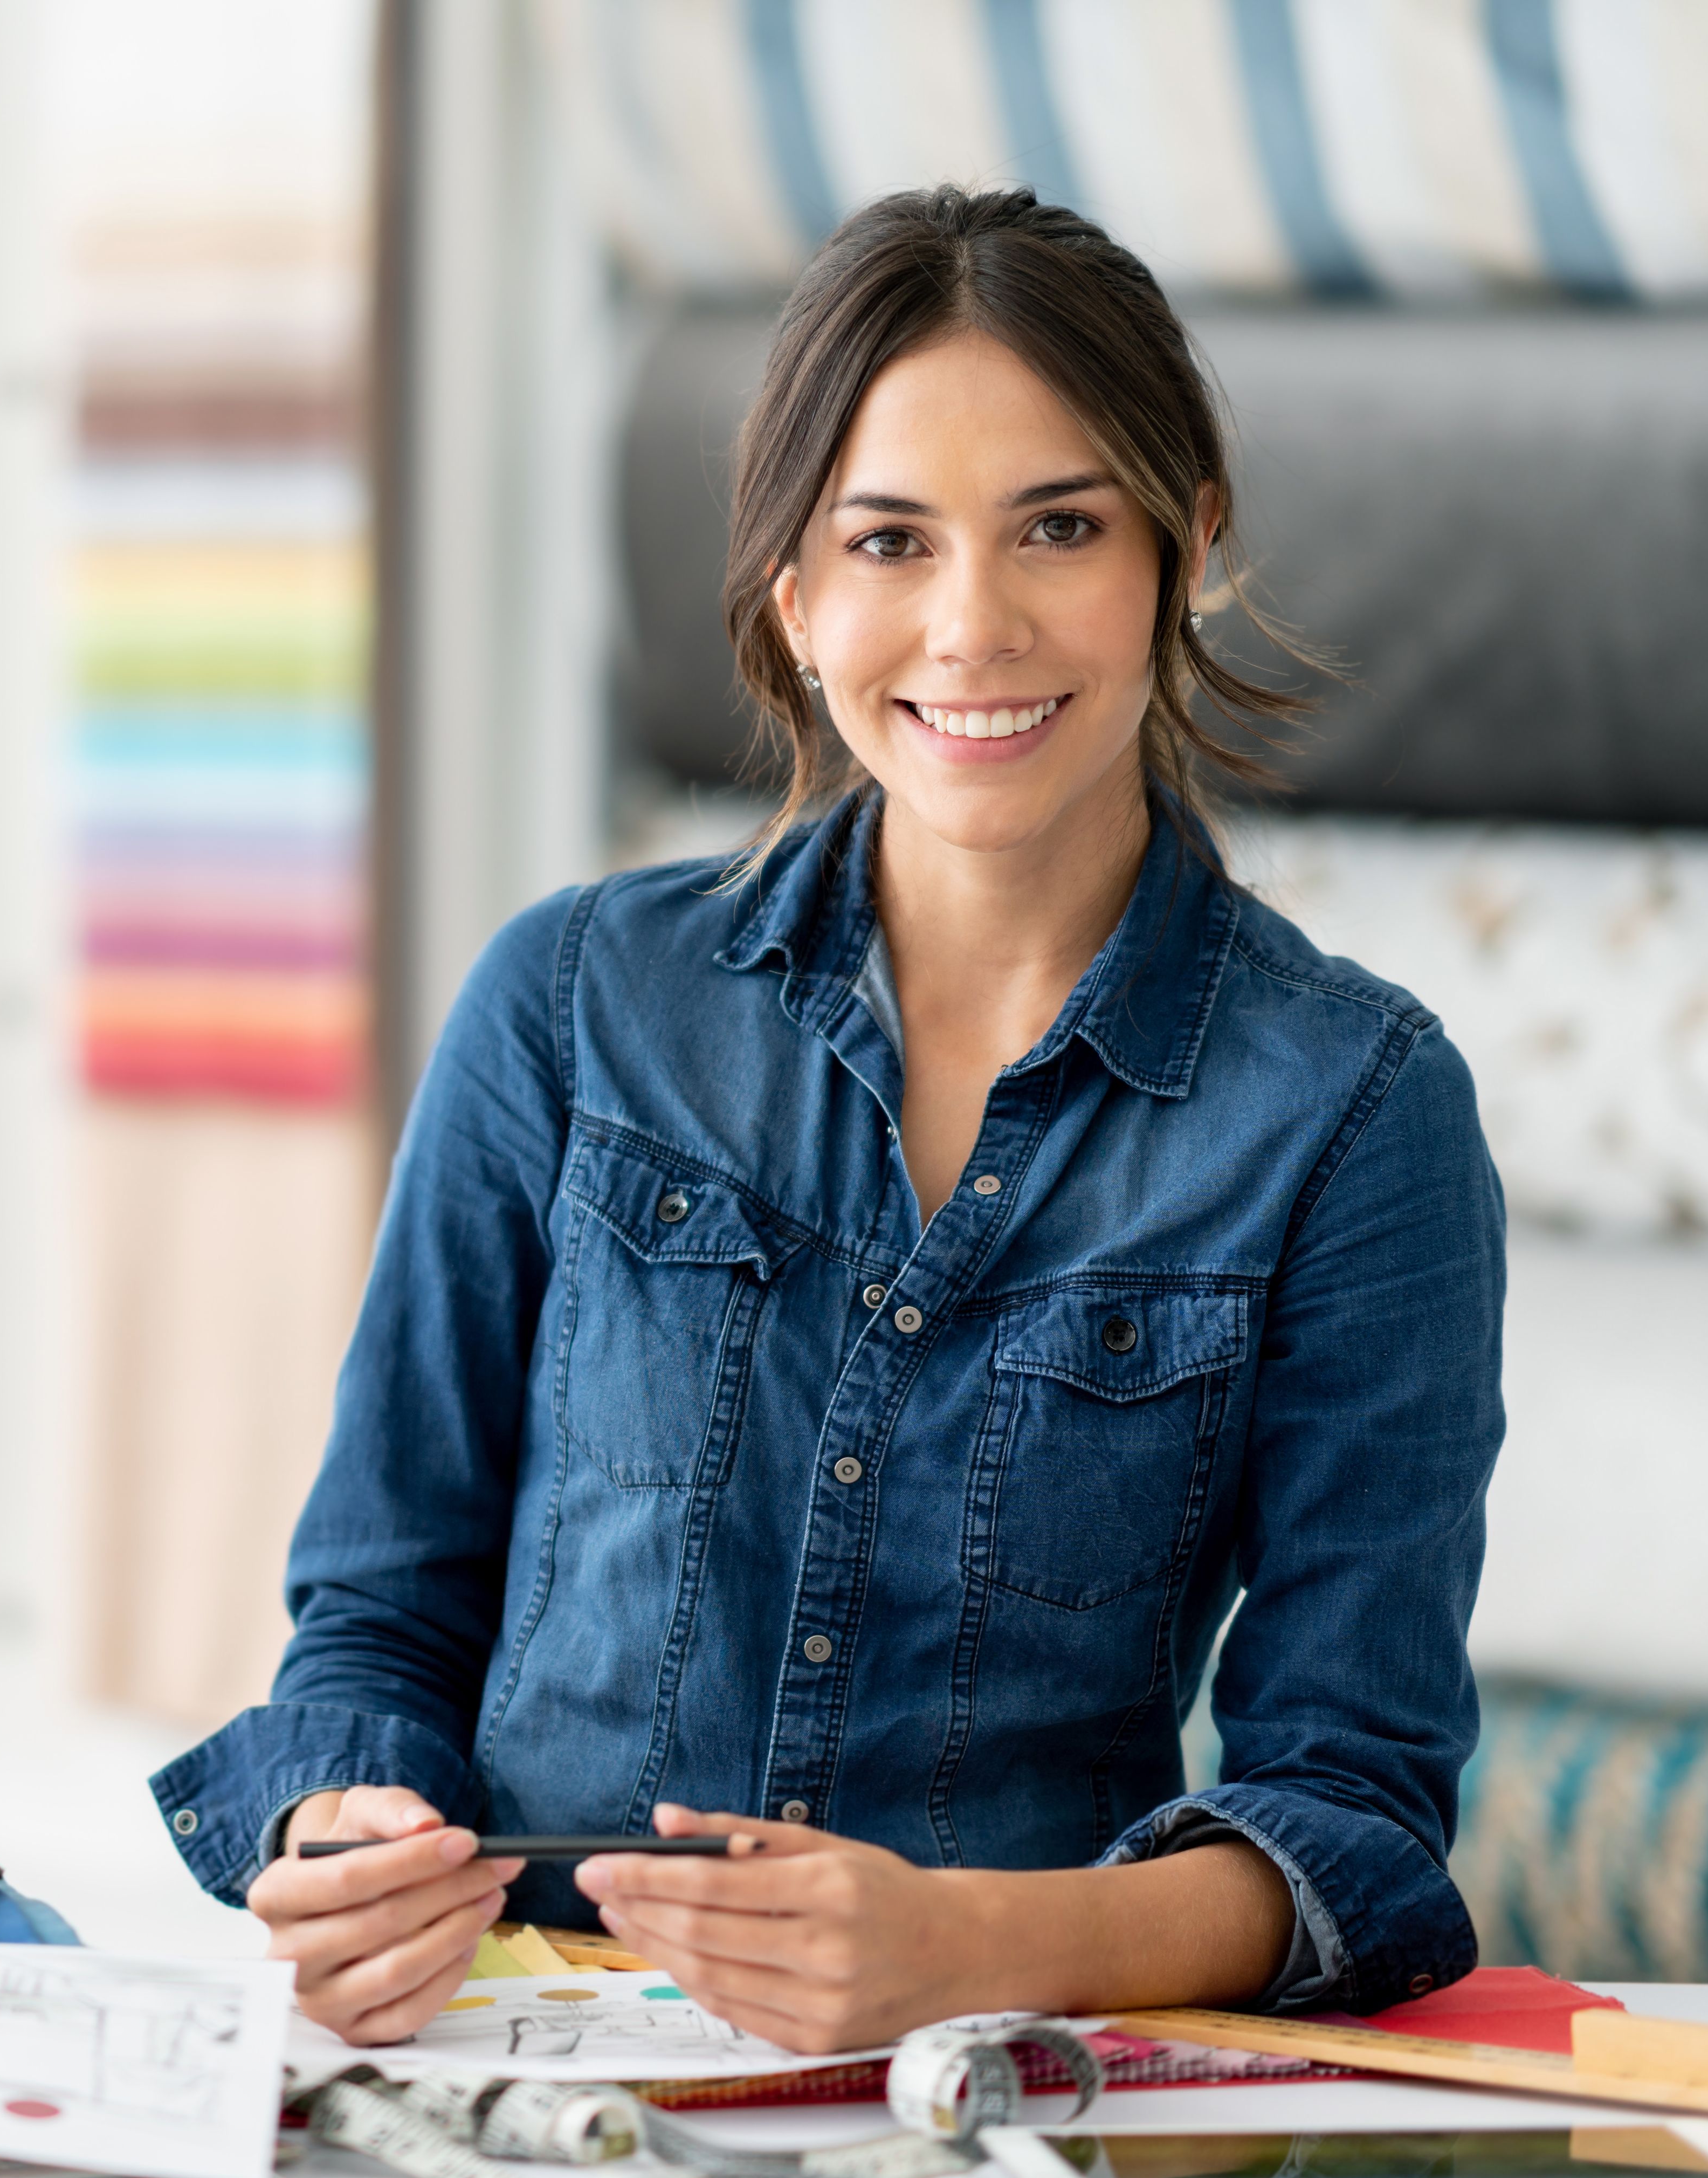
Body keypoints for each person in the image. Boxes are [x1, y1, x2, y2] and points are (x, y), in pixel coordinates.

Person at [150, 186, 1505, 2052]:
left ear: (1185, 550)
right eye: (888, 541)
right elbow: (380, 1610)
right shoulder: (565, 1003)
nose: (971, 625)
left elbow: (1350, 1808)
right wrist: (337, 1836)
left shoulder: (1354, 1111)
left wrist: (970, 1949)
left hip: (1006, 2089)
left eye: (1058, 526)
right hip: (517, 2060)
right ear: (795, 602)